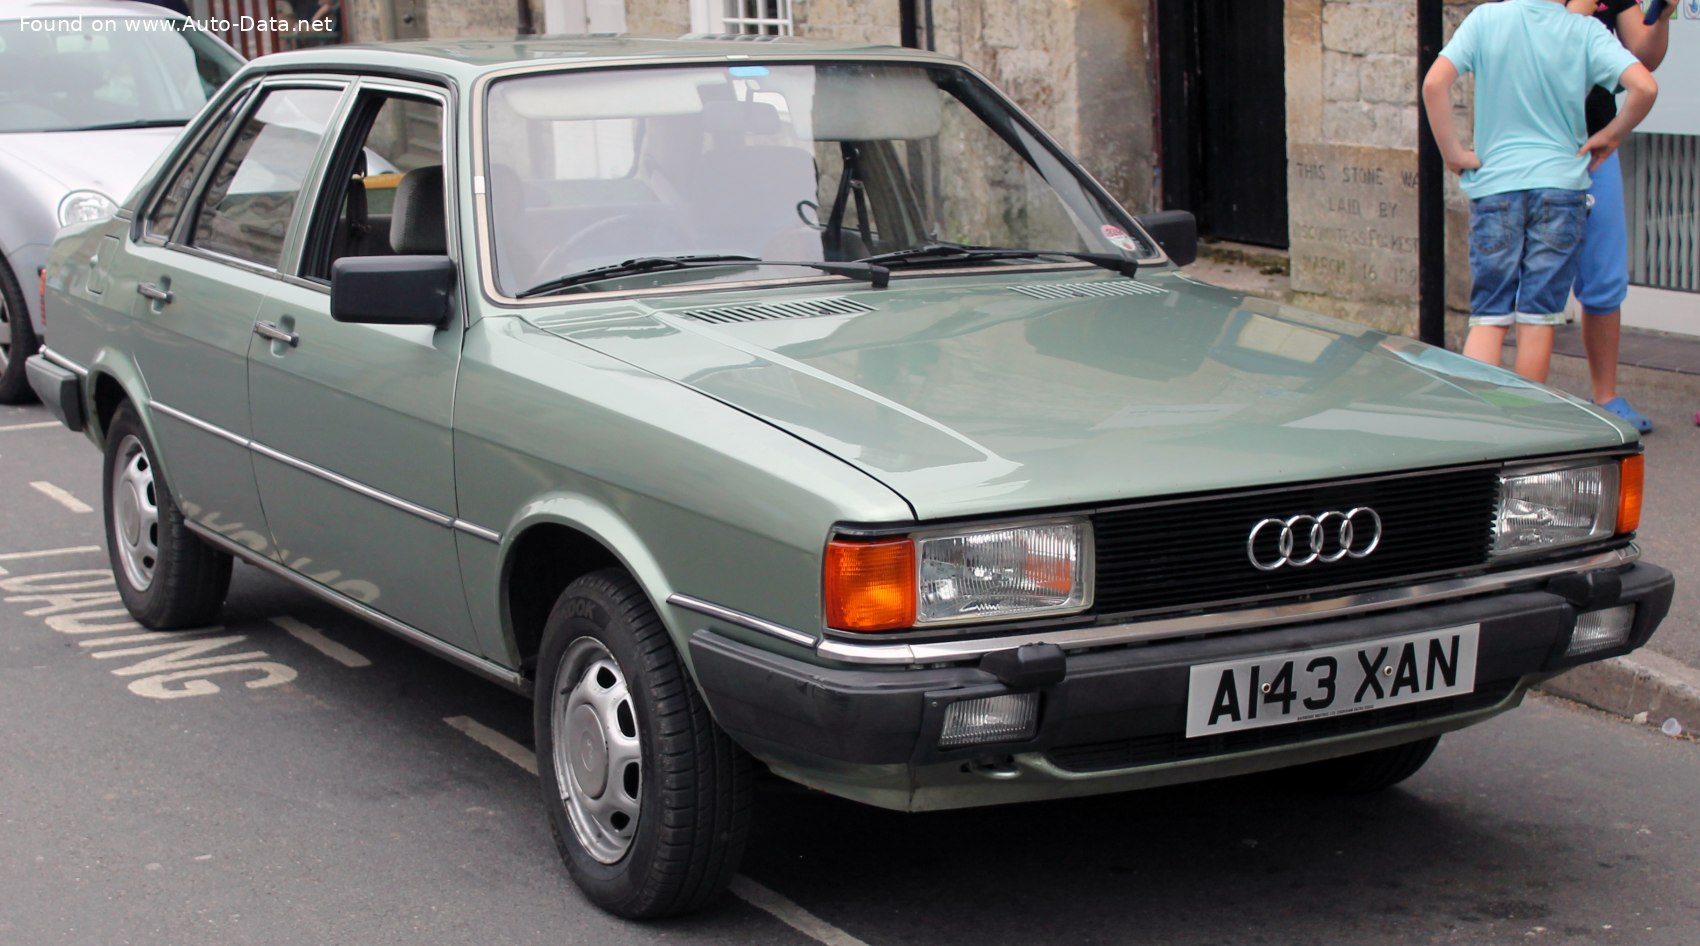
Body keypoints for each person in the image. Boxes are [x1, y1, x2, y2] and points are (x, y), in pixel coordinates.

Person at [1421, 0, 1657, 385]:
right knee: (1538, 318)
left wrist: (1453, 152)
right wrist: (1612, 135)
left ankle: (1474, 413)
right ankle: (1526, 416)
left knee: (1488, 316)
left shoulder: (1485, 20)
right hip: (1561, 189)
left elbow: (1434, 84)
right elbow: (1644, 86)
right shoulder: (1585, 31)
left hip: (1496, 187)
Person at [1565, 0, 1675, 432]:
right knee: (1530, 283)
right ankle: (1519, 403)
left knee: (1604, 277)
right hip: (1538, 144)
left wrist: (1660, 17)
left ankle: (1606, 396)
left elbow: (1643, 57)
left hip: (1597, 144)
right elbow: (1549, 38)